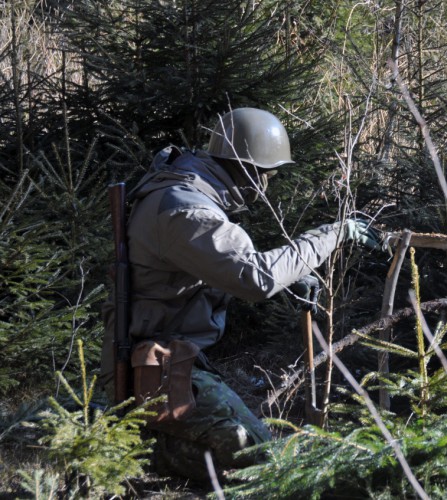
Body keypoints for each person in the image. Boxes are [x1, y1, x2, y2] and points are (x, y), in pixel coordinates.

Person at [100, 107, 382, 480]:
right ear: (247, 171)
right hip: (153, 369)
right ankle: (139, 450)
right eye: (267, 174)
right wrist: (332, 234)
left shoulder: (184, 189)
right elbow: (255, 278)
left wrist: (291, 276)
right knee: (265, 458)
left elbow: (211, 266)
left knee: (253, 452)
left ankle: (148, 443)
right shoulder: (186, 210)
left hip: (168, 358)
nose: (266, 185)